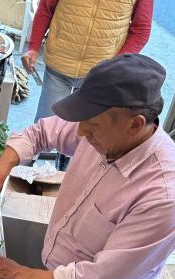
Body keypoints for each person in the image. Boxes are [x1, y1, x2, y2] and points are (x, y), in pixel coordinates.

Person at [0, 54, 174, 279]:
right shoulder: (105, 133)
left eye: (92, 124)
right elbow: (40, 132)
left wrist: (13, 274)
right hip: (55, 276)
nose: (80, 132)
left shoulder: (163, 196)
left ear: (135, 124)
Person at [21, 0, 153, 170]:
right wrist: (33, 46)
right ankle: (22, 174)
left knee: (87, 136)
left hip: (99, 75)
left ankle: (65, 175)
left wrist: (114, 65)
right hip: (60, 62)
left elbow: (141, 30)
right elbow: (46, 8)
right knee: (43, 126)